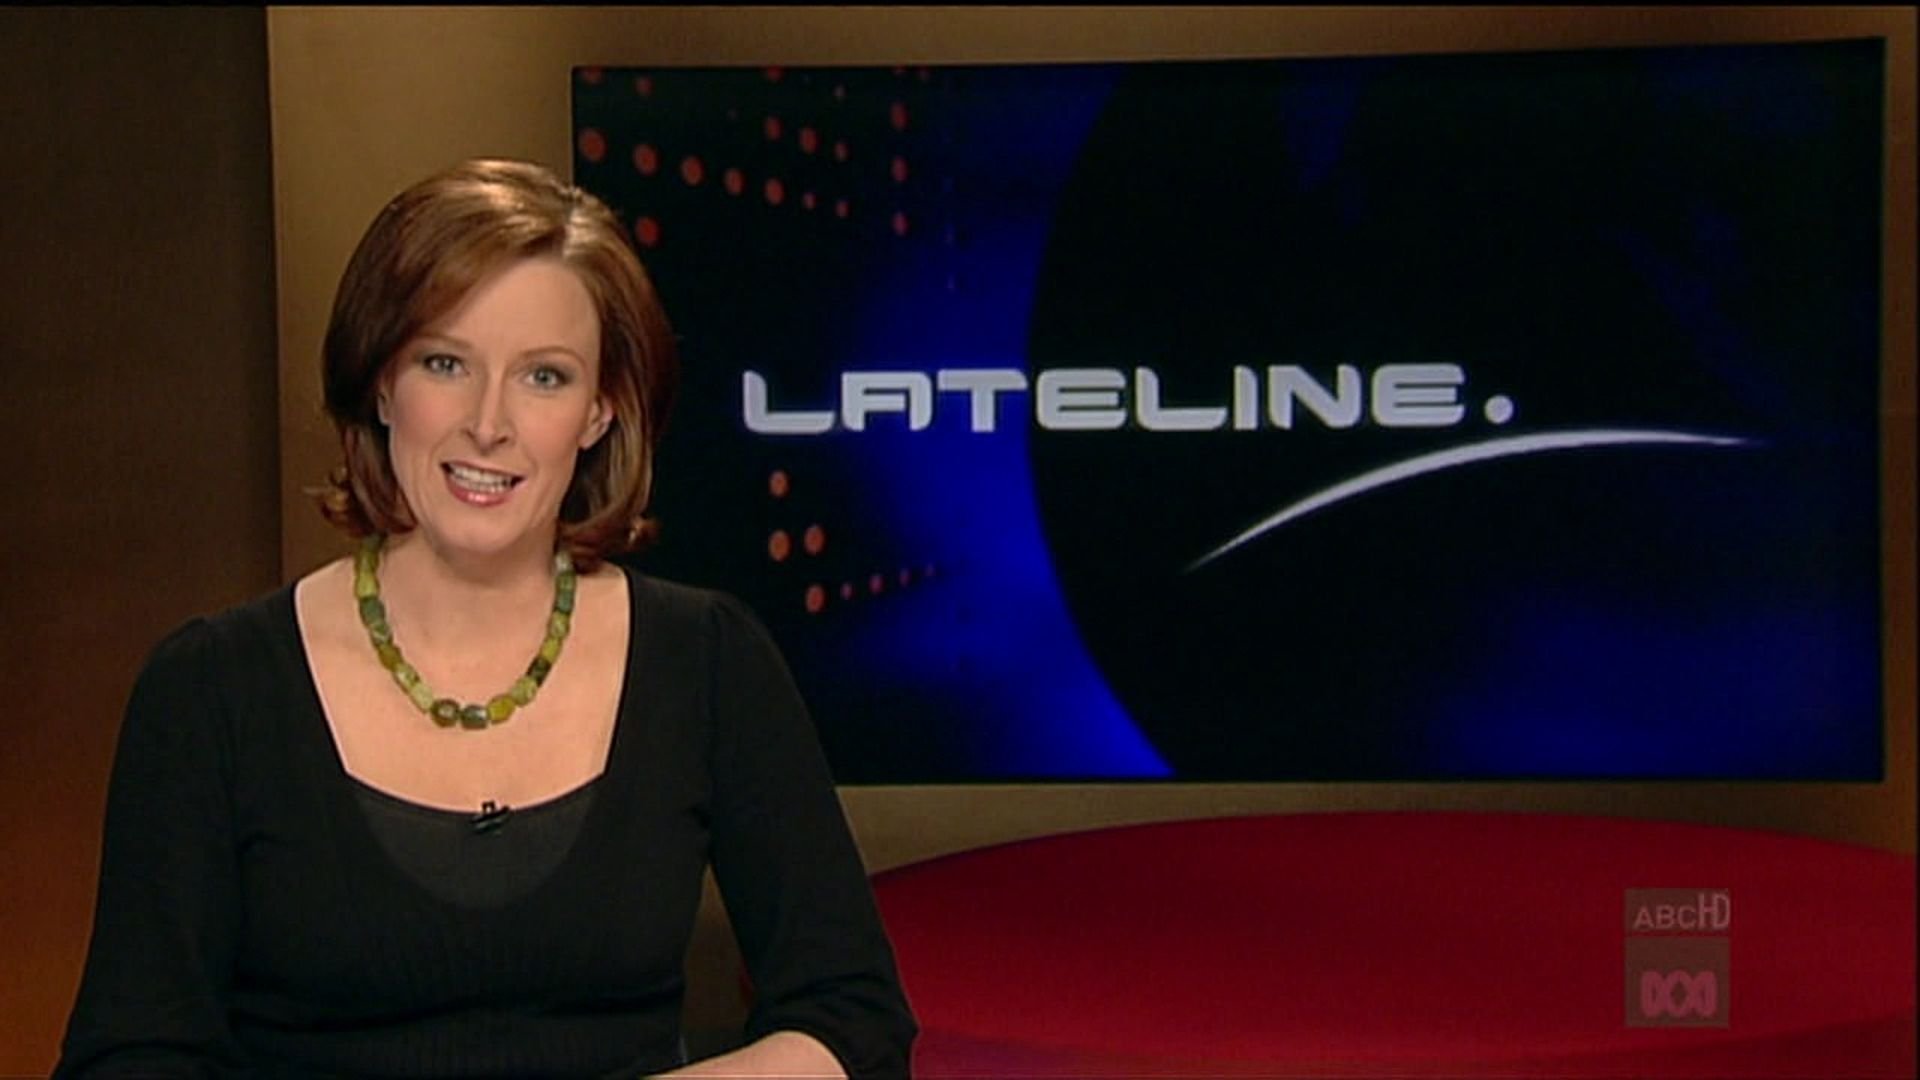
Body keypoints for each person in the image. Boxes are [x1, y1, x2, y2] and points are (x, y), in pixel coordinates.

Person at [55, 158, 917, 1079]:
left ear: (600, 411)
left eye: (544, 376)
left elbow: (853, 1018)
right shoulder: (213, 689)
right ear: (381, 384)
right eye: (444, 363)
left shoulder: (705, 664)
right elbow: (129, 1057)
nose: (488, 424)